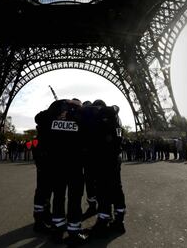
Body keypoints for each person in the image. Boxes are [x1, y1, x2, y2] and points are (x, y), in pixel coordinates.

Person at [35, 98, 88, 244]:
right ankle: (73, 232)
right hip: (75, 165)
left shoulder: (52, 118)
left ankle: (57, 229)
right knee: (75, 199)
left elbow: (40, 122)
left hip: (56, 166)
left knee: (58, 197)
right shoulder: (80, 118)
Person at [90, 100, 126, 237]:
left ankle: (103, 219)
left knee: (102, 189)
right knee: (117, 189)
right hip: (115, 159)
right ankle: (119, 220)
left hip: (103, 160)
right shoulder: (117, 121)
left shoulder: (101, 120)